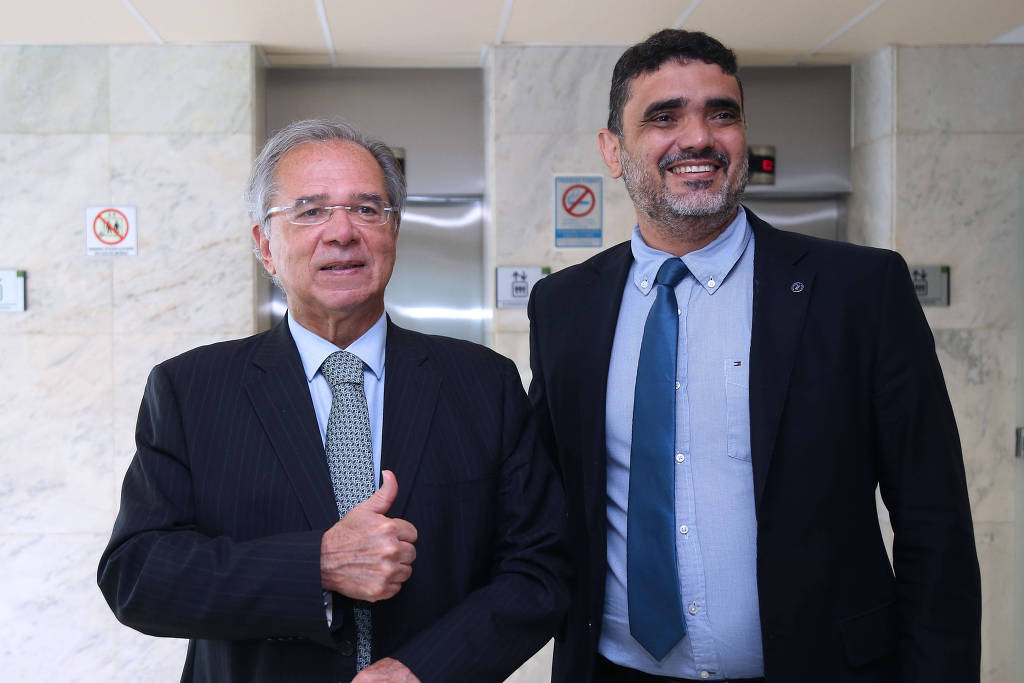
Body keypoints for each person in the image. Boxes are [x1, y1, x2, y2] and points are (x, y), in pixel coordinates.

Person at [527, 29, 981, 683]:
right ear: (612, 148)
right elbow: (543, 501)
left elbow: (933, 518)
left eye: (722, 113)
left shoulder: (858, 290)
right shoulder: (564, 305)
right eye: (664, 116)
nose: (699, 138)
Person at [98, 119, 568, 682]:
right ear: (264, 245)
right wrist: (315, 564)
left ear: (393, 234)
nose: (343, 232)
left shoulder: (483, 383)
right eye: (310, 210)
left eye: (368, 210)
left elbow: (539, 567)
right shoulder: (190, 389)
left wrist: (427, 669)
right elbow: (138, 575)